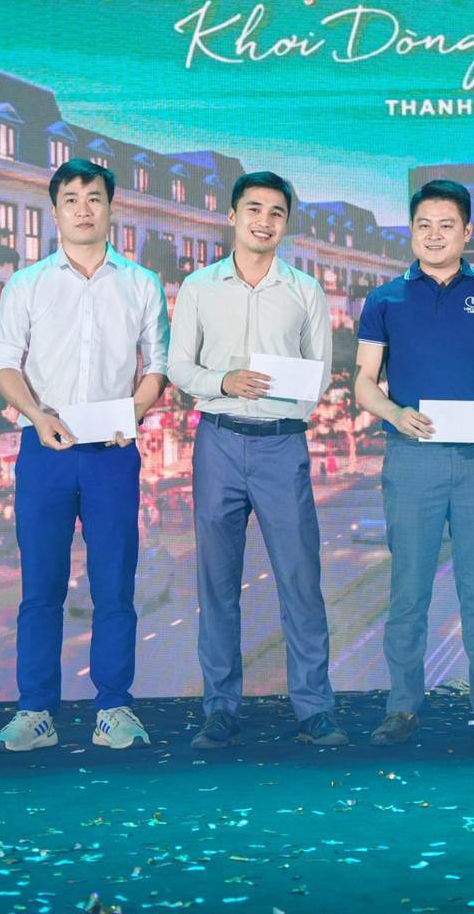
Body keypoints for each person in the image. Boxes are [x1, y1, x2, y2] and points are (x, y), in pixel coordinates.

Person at [0, 157, 170, 752]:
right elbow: (3, 364)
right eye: (71, 199)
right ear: (55, 210)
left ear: (111, 208)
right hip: (45, 448)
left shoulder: (141, 284)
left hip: (113, 452)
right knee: (40, 587)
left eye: (94, 198)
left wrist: (133, 414)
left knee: (114, 585)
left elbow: (157, 366)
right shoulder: (27, 283)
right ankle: (35, 712)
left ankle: (113, 707)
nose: (84, 209)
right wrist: (36, 415)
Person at [169, 170, 346, 749]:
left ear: (285, 224)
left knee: (300, 579)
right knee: (217, 583)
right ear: (232, 216)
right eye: (253, 209)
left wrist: (282, 399)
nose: (264, 221)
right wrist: (224, 380)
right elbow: (178, 366)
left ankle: (314, 708)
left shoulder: (305, 290)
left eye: (276, 212)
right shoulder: (198, 286)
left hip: (281, 445)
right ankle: (220, 709)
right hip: (217, 441)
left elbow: (318, 373)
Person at [354, 179, 474, 745]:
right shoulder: (384, 299)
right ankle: (401, 707)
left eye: (446, 225)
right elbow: (363, 381)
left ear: (466, 232)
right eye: (423, 225)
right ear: (411, 231)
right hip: (412, 459)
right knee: (408, 593)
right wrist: (395, 413)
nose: (434, 235)